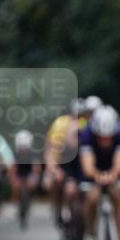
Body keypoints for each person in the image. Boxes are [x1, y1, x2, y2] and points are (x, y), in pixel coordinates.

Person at [79, 105, 120, 240]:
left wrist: (114, 175)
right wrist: (96, 176)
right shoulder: (86, 134)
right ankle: (90, 236)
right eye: (101, 137)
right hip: (94, 169)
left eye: (109, 137)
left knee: (117, 195)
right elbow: (87, 165)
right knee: (92, 198)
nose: (105, 140)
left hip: (112, 167)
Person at [44, 98, 87, 229]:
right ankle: (58, 210)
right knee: (55, 182)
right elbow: (52, 149)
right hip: (62, 159)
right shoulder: (61, 124)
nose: (78, 119)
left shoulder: (89, 124)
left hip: (82, 160)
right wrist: (54, 169)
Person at [9, 130, 43, 217]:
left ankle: (30, 199)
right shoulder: (15, 154)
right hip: (19, 174)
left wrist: (35, 177)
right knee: (16, 187)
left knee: (31, 184)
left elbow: (37, 168)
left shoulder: (33, 154)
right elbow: (12, 168)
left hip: (29, 174)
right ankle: (16, 203)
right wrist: (13, 179)